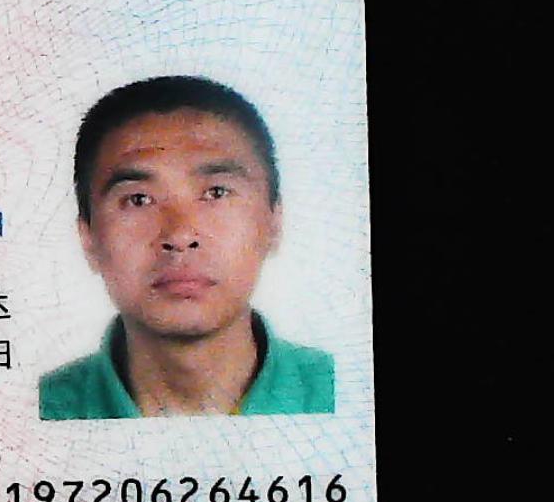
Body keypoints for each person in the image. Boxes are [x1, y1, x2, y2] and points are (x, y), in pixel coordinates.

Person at [38, 76, 335, 419]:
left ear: (273, 223)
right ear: (88, 238)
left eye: (216, 193)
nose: (179, 235)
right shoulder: (38, 409)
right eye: (138, 199)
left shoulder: (346, 390)